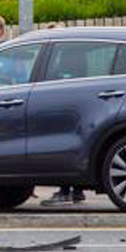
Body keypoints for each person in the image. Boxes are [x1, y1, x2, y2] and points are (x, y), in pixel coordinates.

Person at [38, 21, 86, 206]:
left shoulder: (65, 56)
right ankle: (76, 190)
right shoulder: (73, 53)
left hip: (62, 106)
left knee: (61, 145)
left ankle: (65, 191)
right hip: (73, 107)